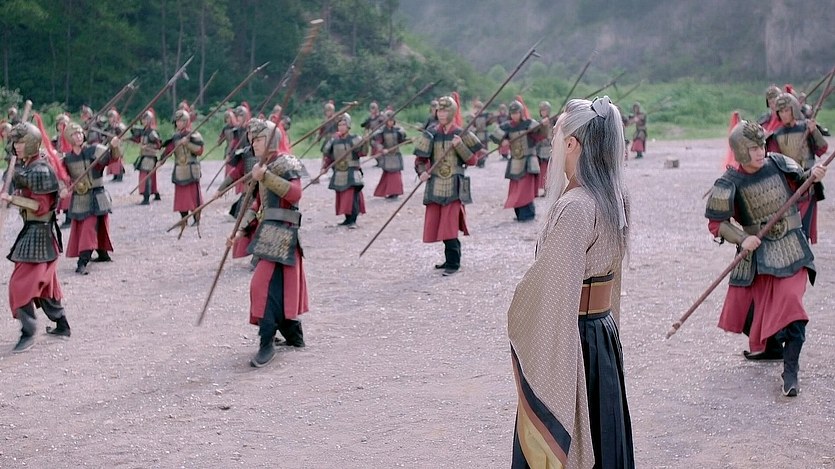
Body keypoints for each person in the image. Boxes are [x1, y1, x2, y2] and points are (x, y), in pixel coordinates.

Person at [507, 96, 634, 468]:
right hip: (601, 337)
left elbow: (551, 287)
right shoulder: (613, 196)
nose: (553, 145)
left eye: (557, 137)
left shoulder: (577, 205)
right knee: (603, 434)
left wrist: (518, 307)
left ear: (573, 143)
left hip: (574, 338)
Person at [706, 120, 824, 397]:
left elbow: (802, 185)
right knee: (750, 310)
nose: (761, 151)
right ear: (740, 151)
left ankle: (790, 372)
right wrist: (742, 238)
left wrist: (813, 176)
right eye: (753, 148)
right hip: (758, 254)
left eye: (761, 145)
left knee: (792, 307)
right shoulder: (729, 182)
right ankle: (771, 348)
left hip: (792, 248)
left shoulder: (779, 164)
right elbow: (717, 223)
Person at [228, 118, 309, 367]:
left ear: (272, 139)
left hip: (283, 232)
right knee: (277, 287)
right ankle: (294, 336)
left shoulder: (285, 162)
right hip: (267, 232)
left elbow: (295, 194)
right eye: (252, 140)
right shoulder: (262, 166)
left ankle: (266, 343)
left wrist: (266, 176)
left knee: (261, 285)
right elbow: (258, 204)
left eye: (259, 139)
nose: (254, 144)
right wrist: (241, 230)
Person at [2, 122, 71, 352]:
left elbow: (39, 208)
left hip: (40, 233)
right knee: (45, 285)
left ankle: (28, 331)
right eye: (15, 142)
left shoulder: (40, 170)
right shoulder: (28, 165)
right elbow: (16, 181)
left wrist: (13, 199)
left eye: (20, 142)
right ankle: (62, 325)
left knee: (20, 285)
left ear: (31, 142)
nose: (16, 146)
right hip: (33, 232)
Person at [413, 94, 484, 276]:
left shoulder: (461, 133)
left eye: (445, 111)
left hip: (454, 185)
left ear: (452, 112)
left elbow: (473, 160)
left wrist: (460, 146)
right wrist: (422, 172)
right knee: (440, 223)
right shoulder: (431, 133)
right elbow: (420, 160)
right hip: (435, 184)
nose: (441, 114)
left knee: (449, 225)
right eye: (439, 110)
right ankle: (448, 260)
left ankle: (454, 263)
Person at [766, 92, 828, 244]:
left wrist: (814, 131)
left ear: (793, 109)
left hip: (809, 183)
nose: (784, 114)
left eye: (787, 110)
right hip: (789, 185)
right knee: (790, 225)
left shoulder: (806, 127)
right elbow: (773, 161)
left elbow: (822, 149)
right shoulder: (776, 135)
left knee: (804, 227)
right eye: (781, 111)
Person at [61, 123, 118, 274]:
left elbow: (111, 158)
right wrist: (62, 188)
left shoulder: (94, 150)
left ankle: (84, 261)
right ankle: (96, 256)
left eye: (80, 133)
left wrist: (114, 147)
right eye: (75, 134)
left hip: (97, 193)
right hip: (81, 197)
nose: (79, 136)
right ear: (69, 138)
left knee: (94, 226)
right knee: (88, 227)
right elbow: (61, 175)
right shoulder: (67, 158)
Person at [490, 98, 542, 222]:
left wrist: (544, 125)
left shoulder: (529, 124)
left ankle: (528, 214)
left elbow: (542, 134)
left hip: (528, 161)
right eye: (512, 113)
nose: (514, 115)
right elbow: (494, 137)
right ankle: (519, 214)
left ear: (521, 112)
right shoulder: (507, 126)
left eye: (516, 113)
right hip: (515, 161)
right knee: (516, 189)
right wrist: (502, 141)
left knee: (525, 189)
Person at [320, 113, 366, 227]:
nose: (341, 127)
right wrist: (325, 167)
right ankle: (347, 219)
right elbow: (329, 157)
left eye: (344, 124)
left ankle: (353, 220)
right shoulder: (334, 141)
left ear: (348, 126)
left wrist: (365, 142)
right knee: (343, 197)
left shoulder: (355, 139)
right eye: (339, 125)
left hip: (352, 172)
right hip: (339, 172)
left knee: (351, 198)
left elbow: (363, 153)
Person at [165, 110, 204, 224]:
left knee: (194, 196)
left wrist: (187, 143)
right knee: (181, 198)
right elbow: (169, 149)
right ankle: (184, 219)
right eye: (177, 121)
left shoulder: (194, 135)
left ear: (186, 121)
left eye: (181, 121)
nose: (178, 123)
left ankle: (196, 219)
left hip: (191, 169)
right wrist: (161, 160)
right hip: (179, 170)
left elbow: (199, 151)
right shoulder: (176, 136)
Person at [370, 110, 406, 199]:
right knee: (389, 175)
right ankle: (389, 192)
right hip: (387, 156)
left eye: (392, 120)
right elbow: (375, 142)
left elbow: (401, 140)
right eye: (389, 120)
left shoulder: (398, 130)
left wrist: (409, 141)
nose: (390, 122)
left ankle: (395, 192)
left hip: (396, 155)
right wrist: (382, 148)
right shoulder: (381, 131)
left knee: (396, 175)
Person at [131, 110, 162, 205]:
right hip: (144, 156)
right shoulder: (144, 131)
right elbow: (138, 139)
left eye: (145, 119)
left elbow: (158, 145)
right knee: (148, 176)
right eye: (143, 119)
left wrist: (148, 146)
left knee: (146, 176)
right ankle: (156, 194)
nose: (143, 121)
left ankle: (146, 198)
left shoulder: (152, 133)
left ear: (149, 120)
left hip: (150, 157)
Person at [535, 101, 554, 196]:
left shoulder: (553, 121)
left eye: (545, 110)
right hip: (541, 148)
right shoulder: (538, 122)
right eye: (542, 110)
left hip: (550, 147)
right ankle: (542, 189)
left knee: (549, 169)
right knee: (542, 170)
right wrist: (541, 124)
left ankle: (549, 189)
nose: (543, 112)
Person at [468, 99, 492, 168]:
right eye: (476, 108)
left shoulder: (485, 115)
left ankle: (482, 161)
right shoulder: (473, 116)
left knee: (483, 147)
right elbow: (471, 125)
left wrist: (489, 119)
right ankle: (477, 161)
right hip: (476, 134)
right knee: (477, 148)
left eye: (479, 108)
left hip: (483, 133)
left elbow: (489, 122)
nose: (478, 109)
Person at [104, 109, 127, 181]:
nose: (112, 119)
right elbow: (105, 133)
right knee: (112, 160)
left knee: (118, 160)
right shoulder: (109, 127)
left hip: (118, 145)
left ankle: (119, 175)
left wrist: (116, 128)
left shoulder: (119, 126)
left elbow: (121, 134)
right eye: (110, 117)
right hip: (111, 145)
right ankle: (115, 175)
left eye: (113, 117)